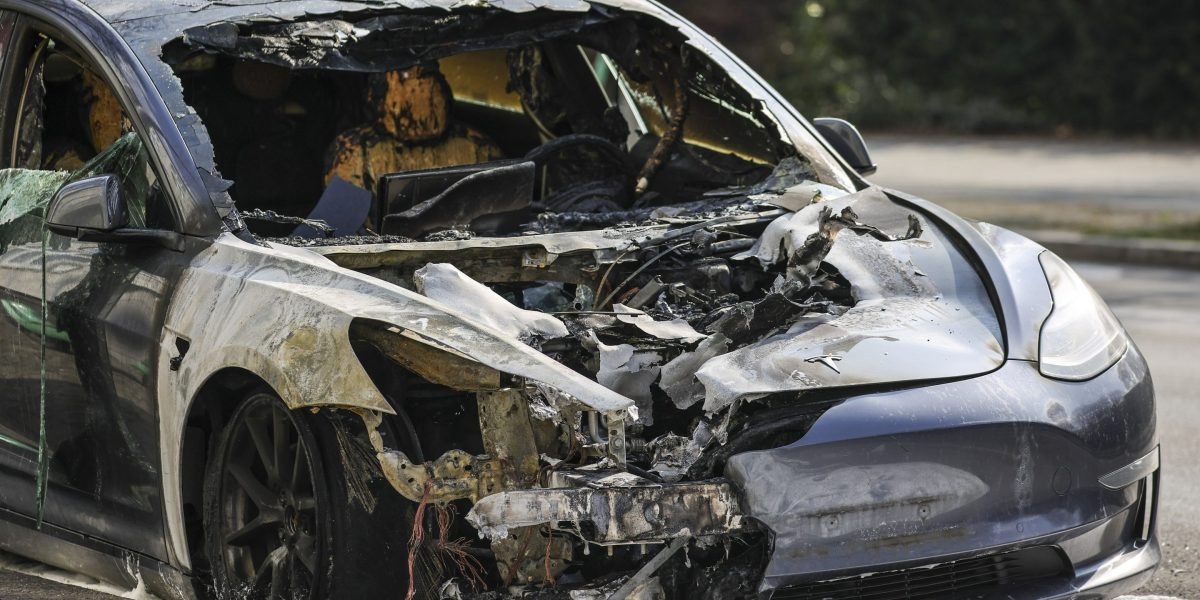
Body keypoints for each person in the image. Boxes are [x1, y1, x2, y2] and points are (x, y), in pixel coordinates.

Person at [325, 63, 502, 199]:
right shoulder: (355, 155)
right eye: (406, 78)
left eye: (426, 76)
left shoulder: (478, 148)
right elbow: (348, 230)